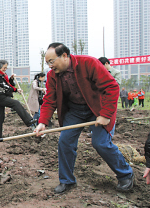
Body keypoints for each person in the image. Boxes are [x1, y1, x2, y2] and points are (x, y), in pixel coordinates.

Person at [34, 43, 134, 194]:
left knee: (100, 143)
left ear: (65, 56)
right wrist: (42, 122)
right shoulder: (52, 75)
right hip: (74, 111)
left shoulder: (89, 63)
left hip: (98, 108)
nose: (50, 66)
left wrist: (106, 115)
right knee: (65, 142)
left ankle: (126, 174)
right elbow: (50, 99)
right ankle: (67, 181)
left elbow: (112, 87)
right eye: (48, 63)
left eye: (52, 61)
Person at [0, 60, 36, 139]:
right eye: (4, 67)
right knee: (16, 103)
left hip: (2, 97)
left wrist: (11, 79)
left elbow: (9, 84)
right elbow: (4, 86)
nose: (5, 69)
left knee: (0, 117)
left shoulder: (3, 75)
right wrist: (15, 90)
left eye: (6, 67)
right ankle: (28, 121)